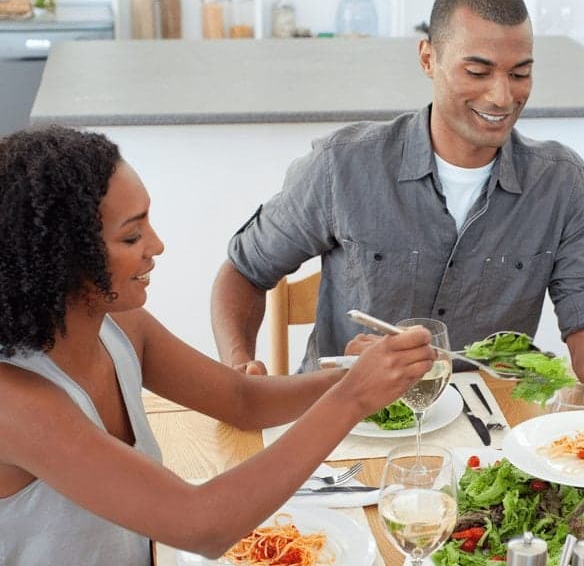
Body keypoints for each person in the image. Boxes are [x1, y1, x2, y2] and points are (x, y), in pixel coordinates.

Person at [210, 0, 584, 431]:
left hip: (485, 425)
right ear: (427, 58)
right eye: (477, 71)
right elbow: (244, 271)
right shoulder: (344, 166)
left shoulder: (561, 186)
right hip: (343, 422)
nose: (502, 97)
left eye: (520, 74)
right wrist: (238, 366)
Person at [0, 126, 435, 564]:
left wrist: (351, 375)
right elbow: (202, 526)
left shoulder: (120, 327)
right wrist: (352, 396)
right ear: (61, 258)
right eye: (131, 237)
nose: (157, 246)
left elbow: (242, 400)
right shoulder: (14, 400)